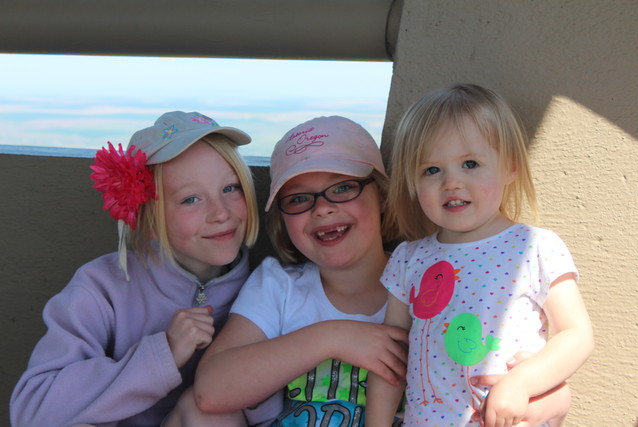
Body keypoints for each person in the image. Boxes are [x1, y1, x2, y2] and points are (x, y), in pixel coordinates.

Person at [9, 111, 277, 427]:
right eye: (191, 199)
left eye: (230, 188)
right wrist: (162, 354)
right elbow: (33, 411)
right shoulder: (101, 289)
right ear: (147, 217)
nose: (220, 213)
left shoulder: (268, 291)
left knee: (212, 412)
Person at [366, 84, 594, 427]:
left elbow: (575, 334)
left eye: (470, 163)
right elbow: (390, 359)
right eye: (431, 170)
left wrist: (522, 381)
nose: (451, 182)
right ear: (413, 182)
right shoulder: (408, 259)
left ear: (510, 168)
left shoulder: (535, 247)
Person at [181, 115, 410, 426]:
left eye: (343, 188)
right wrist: (330, 338)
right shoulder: (279, 286)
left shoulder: (426, 280)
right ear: (283, 219)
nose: (322, 208)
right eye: (299, 199)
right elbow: (210, 391)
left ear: (382, 195)